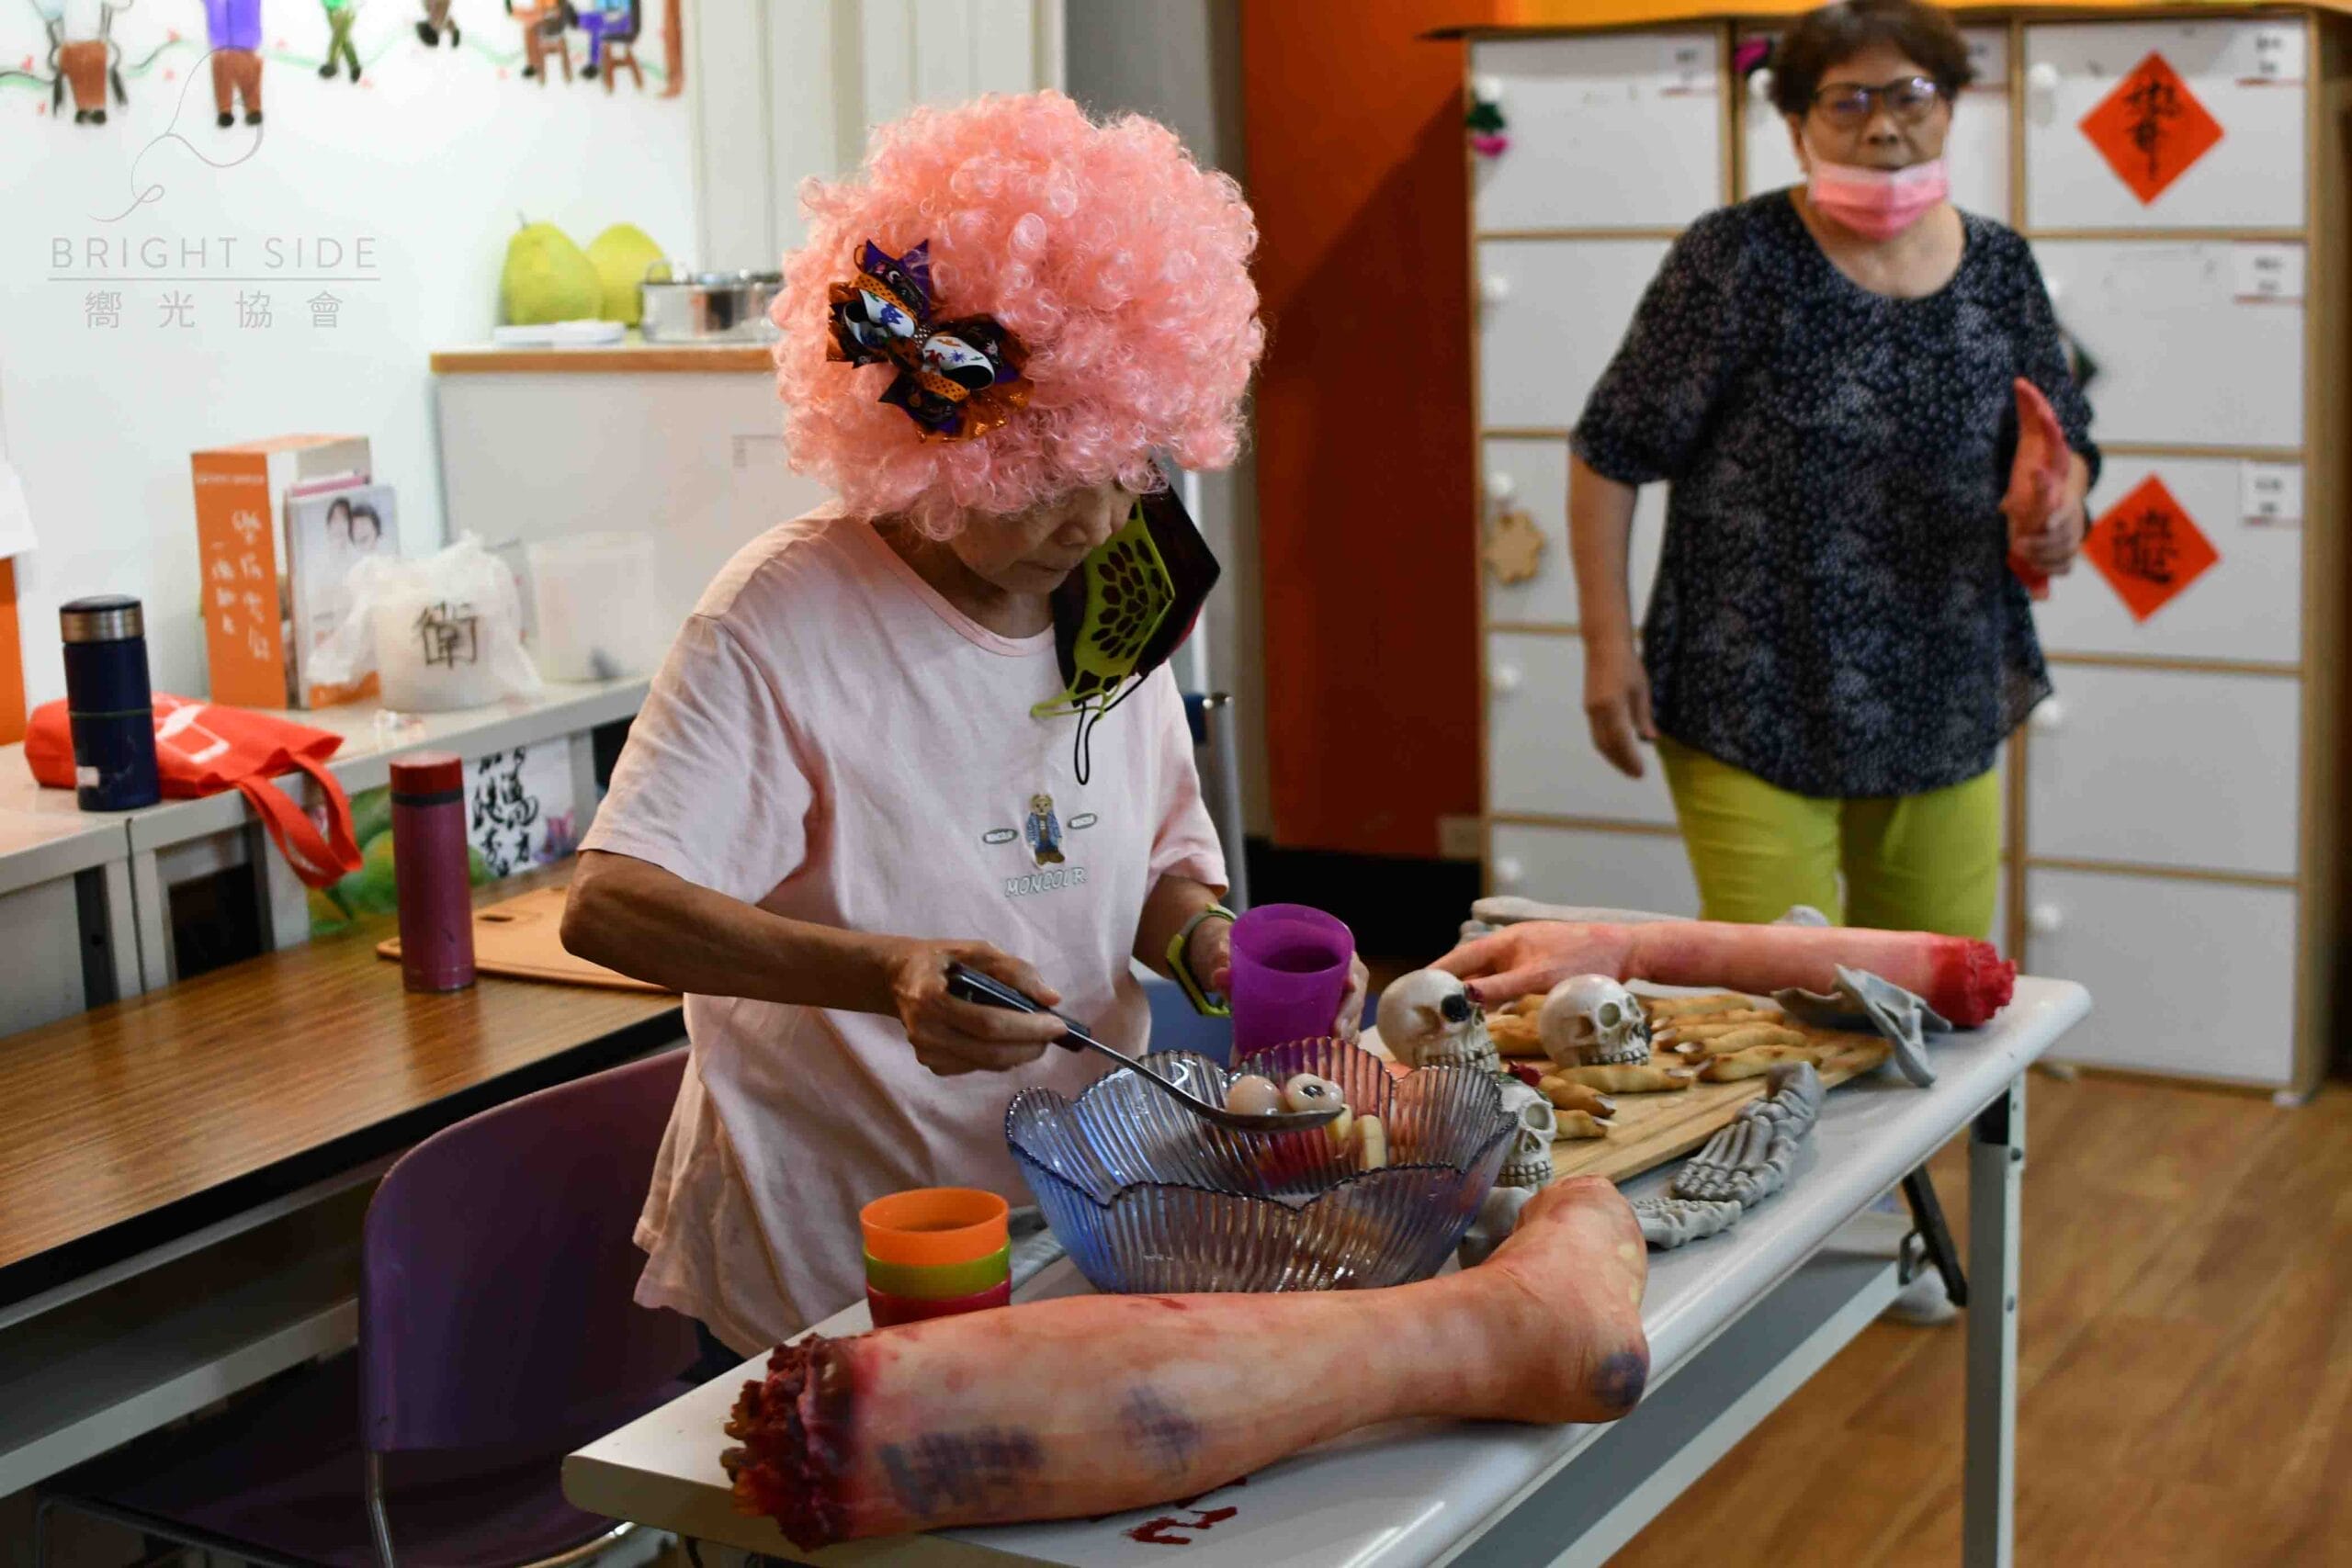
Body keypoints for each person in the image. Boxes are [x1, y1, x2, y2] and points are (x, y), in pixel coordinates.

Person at [561, 92, 1366, 1359]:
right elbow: (608, 904)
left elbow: (1150, 871)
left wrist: (1210, 943)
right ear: (931, 442)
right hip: (833, 1266)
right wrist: (883, 974)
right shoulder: (780, 619)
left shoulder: (1119, 588)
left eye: (1126, 464)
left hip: (1080, 1219)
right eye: (1045, 475)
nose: (1095, 521)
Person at [1567, 0, 2097, 943]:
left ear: (1951, 107)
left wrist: (2062, 512)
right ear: (1794, 125)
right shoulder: (1733, 258)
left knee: (1936, 992)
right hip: (1751, 688)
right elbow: (1610, 451)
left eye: (1911, 95)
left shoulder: (2000, 266)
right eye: (1847, 101)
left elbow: (2065, 442)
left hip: (1942, 688)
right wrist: (1607, 648)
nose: (1883, 126)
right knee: (1780, 997)